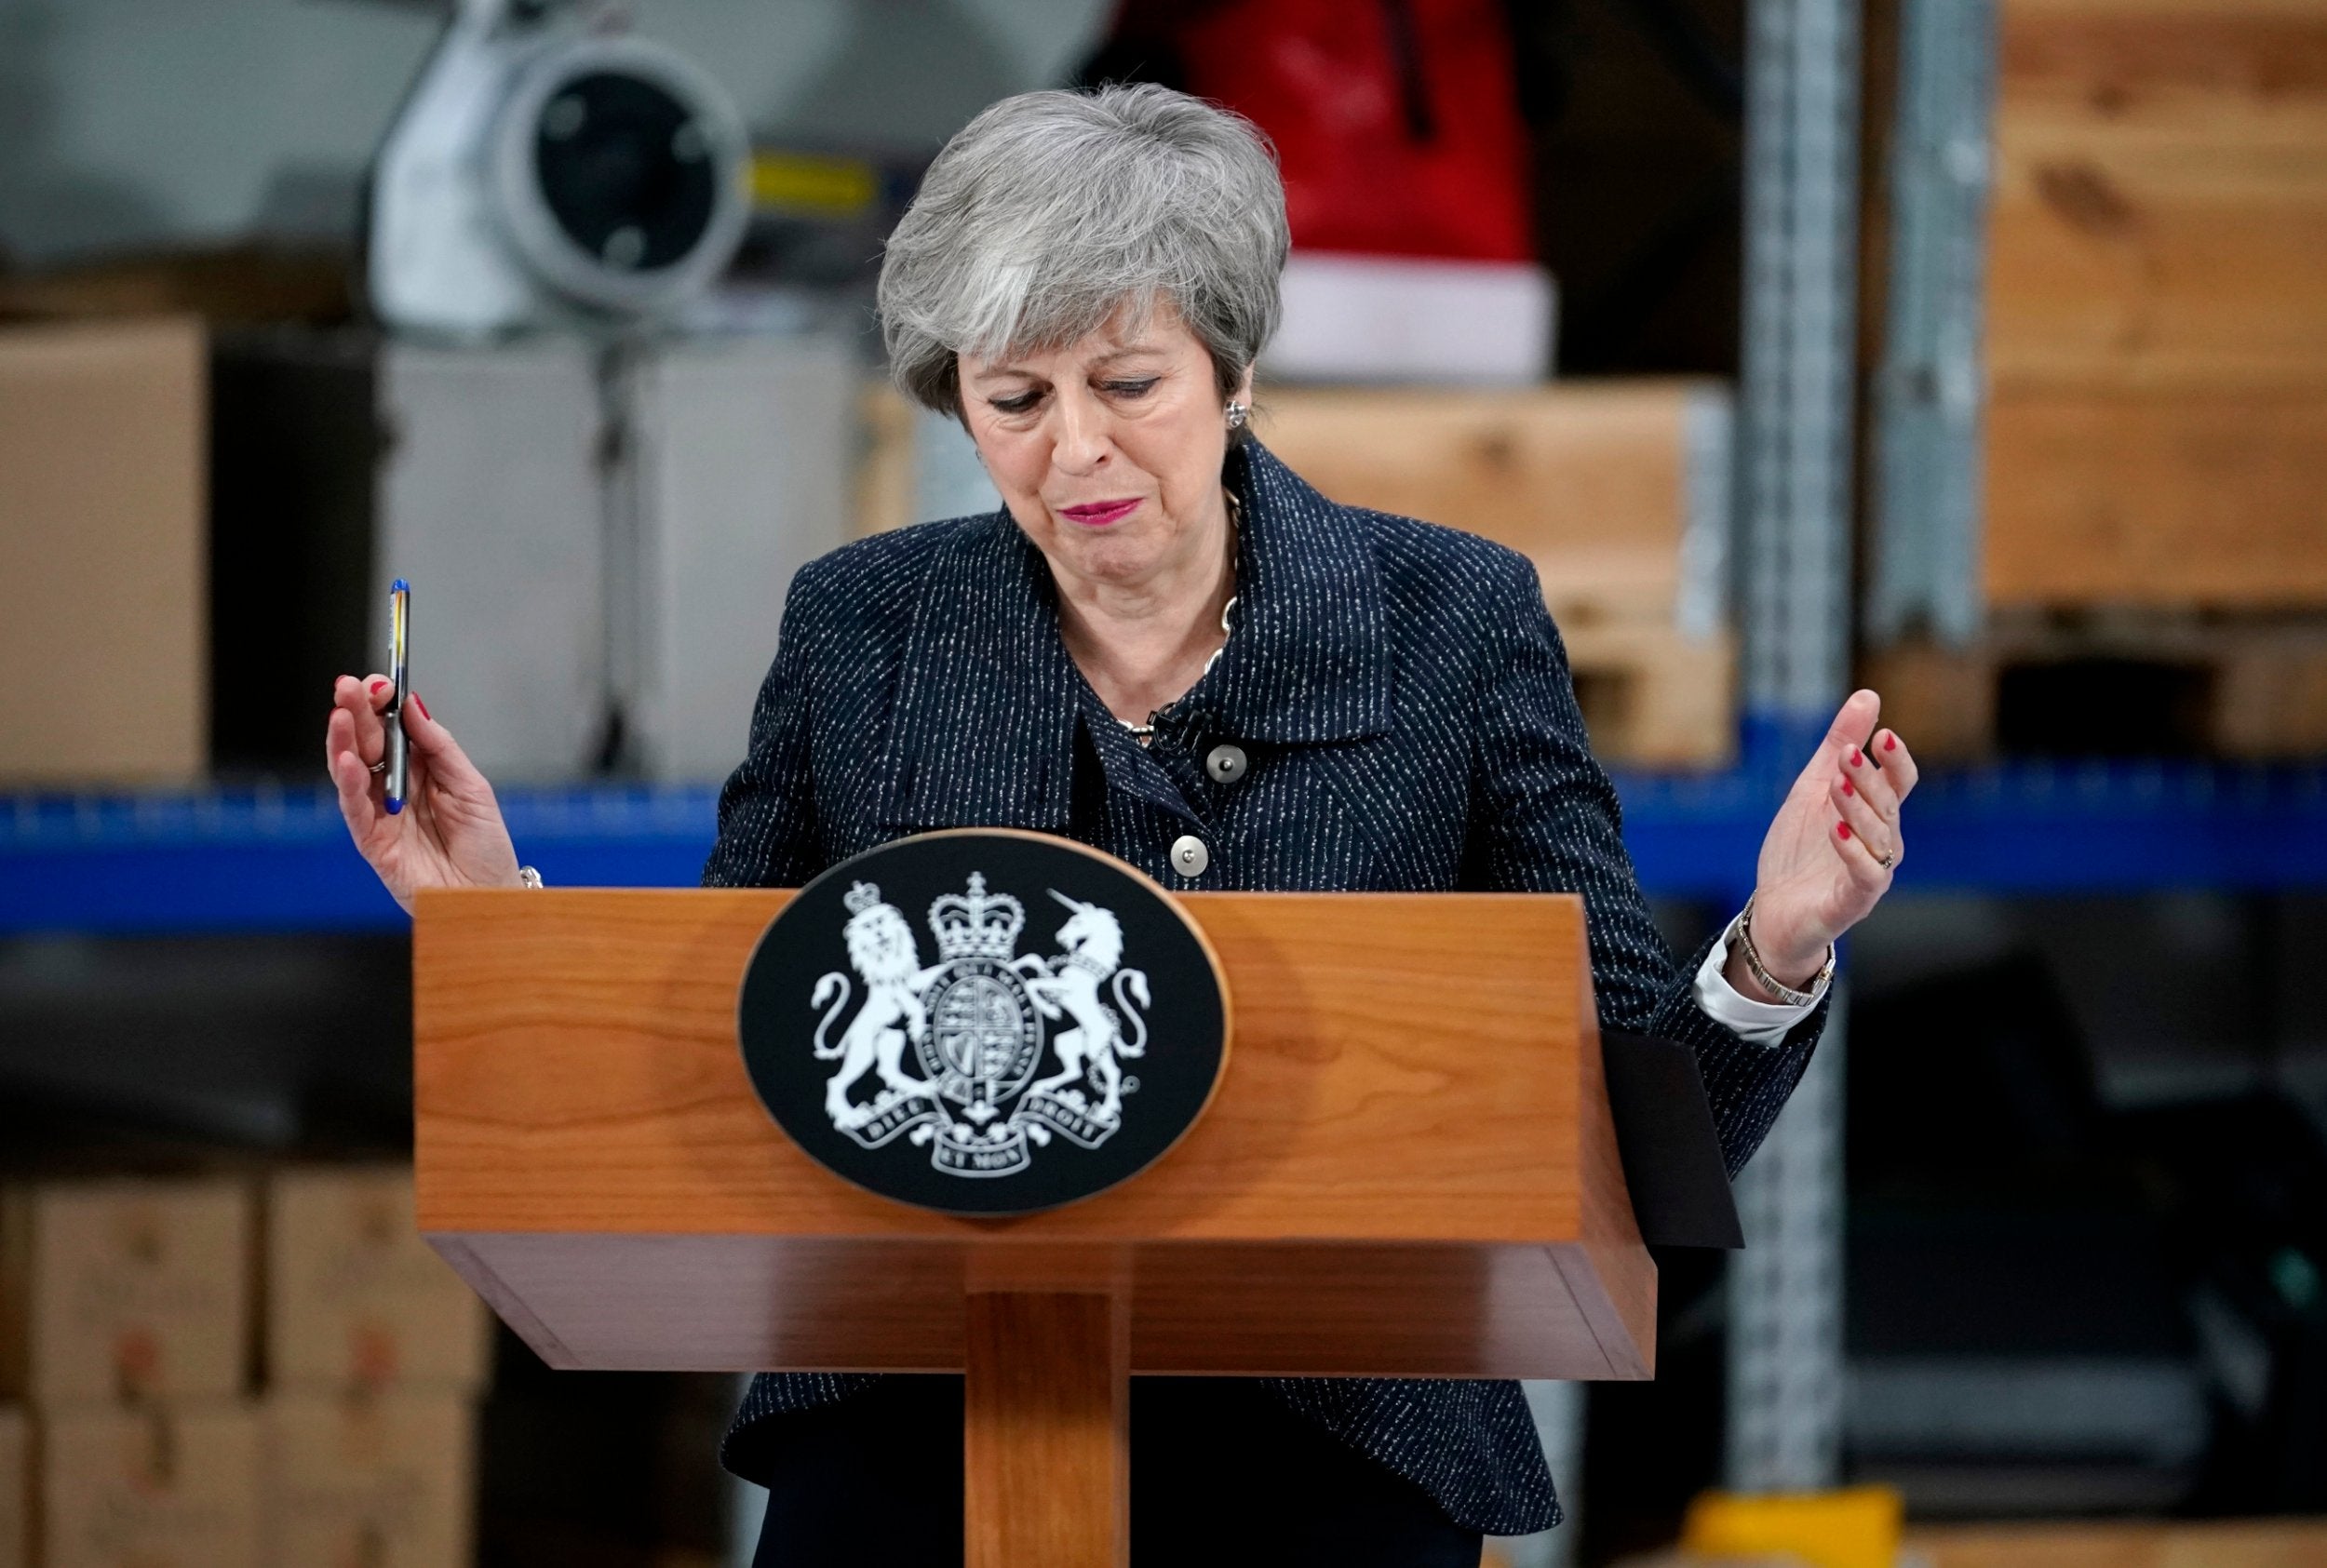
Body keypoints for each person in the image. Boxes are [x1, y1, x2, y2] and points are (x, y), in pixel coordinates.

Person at [327, 83, 1916, 1568]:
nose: (1074, 449)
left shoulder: (1456, 622)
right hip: (910, 1414)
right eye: (1012, 397)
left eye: (1128, 383)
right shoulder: (858, 629)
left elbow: (1635, 1137)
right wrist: (497, 927)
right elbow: (734, 1041)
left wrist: (1777, 947)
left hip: (1336, 1433)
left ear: (1231, 370)